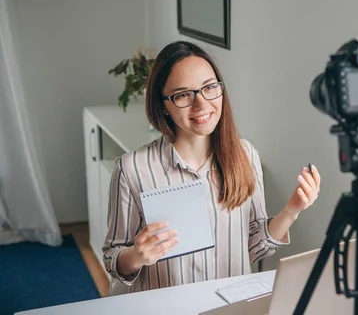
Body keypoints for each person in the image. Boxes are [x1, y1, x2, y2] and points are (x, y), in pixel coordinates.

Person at [102, 41, 321, 292]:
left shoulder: (245, 155)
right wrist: (136, 255)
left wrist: (292, 210)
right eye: (184, 94)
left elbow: (253, 247)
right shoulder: (132, 169)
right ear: (163, 104)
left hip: (231, 306)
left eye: (209, 87)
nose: (202, 104)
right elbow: (112, 257)